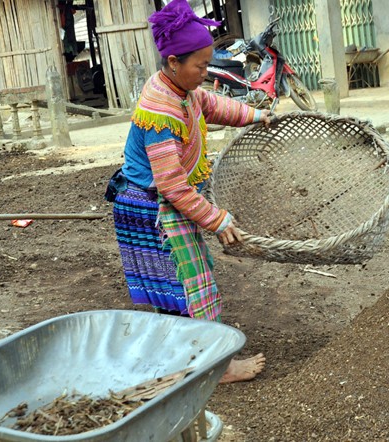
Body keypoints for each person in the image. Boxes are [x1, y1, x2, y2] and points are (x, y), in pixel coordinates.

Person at [106, 0, 268, 383]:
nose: (206, 72)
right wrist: (217, 219)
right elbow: (173, 186)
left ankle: (186, 363)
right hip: (151, 209)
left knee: (178, 291)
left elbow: (211, 105)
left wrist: (257, 116)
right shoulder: (160, 111)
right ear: (174, 61)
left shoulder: (181, 88)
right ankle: (217, 368)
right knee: (194, 287)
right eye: (200, 65)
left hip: (160, 202)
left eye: (209, 62)